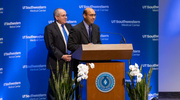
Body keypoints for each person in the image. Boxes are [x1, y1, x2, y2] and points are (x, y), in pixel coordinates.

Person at [67, 7, 101, 100]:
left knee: (95, 88)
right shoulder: (76, 29)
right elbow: (70, 46)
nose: (93, 17)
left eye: (94, 15)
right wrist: (85, 47)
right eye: (91, 15)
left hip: (95, 64)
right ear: (84, 15)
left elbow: (99, 43)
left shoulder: (96, 28)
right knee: (81, 92)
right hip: (80, 64)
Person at [44, 8, 72, 100]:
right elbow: (50, 46)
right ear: (56, 17)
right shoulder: (49, 28)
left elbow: (73, 42)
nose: (66, 17)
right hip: (56, 62)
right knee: (54, 90)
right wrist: (62, 56)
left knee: (67, 88)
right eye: (63, 15)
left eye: (66, 15)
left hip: (69, 62)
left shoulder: (69, 27)